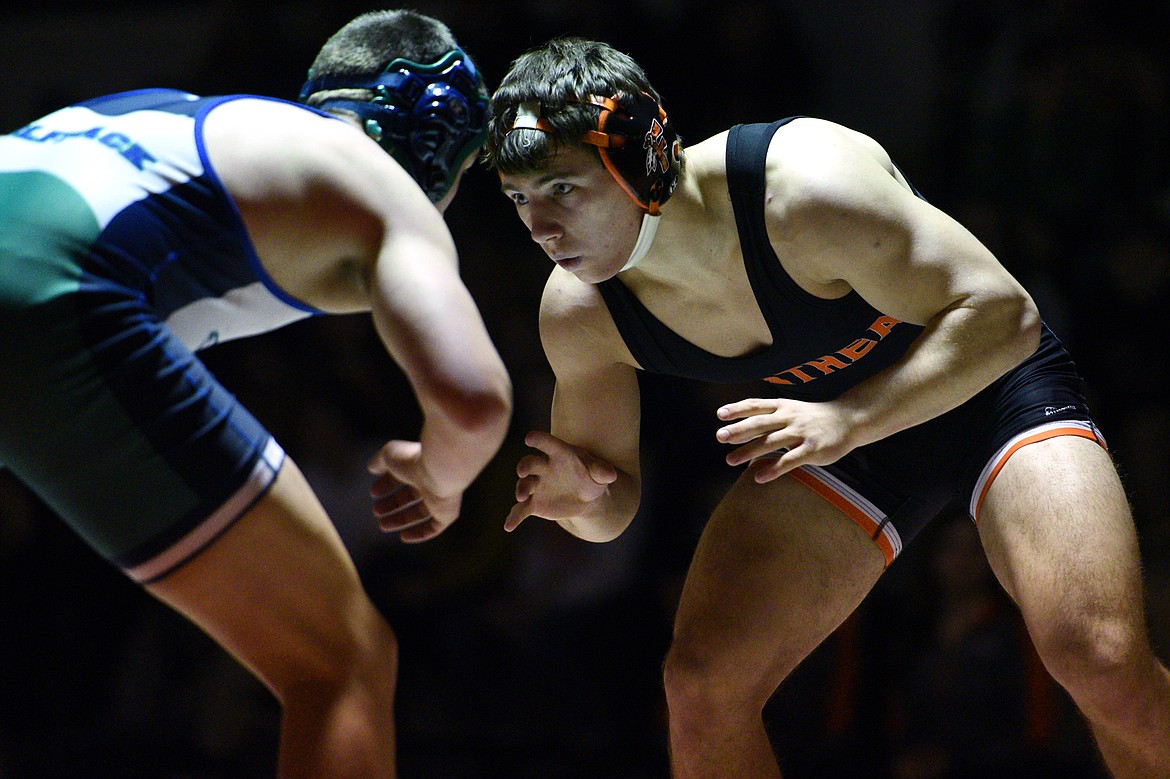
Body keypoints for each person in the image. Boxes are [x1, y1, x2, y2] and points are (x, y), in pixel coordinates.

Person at [481, 37, 1170, 778]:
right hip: (837, 430)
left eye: (562, 190)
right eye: (519, 198)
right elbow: (611, 507)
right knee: (703, 684)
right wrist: (583, 499)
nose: (540, 229)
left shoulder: (804, 187)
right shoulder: (581, 312)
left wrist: (851, 420)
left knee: (1097, 658)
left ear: (639, 159)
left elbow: (1004, 315)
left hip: (986, 385)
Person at [0, 9, 511, 778]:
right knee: (342, 656)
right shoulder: (376, 180)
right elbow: (474, 398)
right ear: (437, 142)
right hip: (55, 297)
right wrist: (441, 475)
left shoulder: (161, 109)